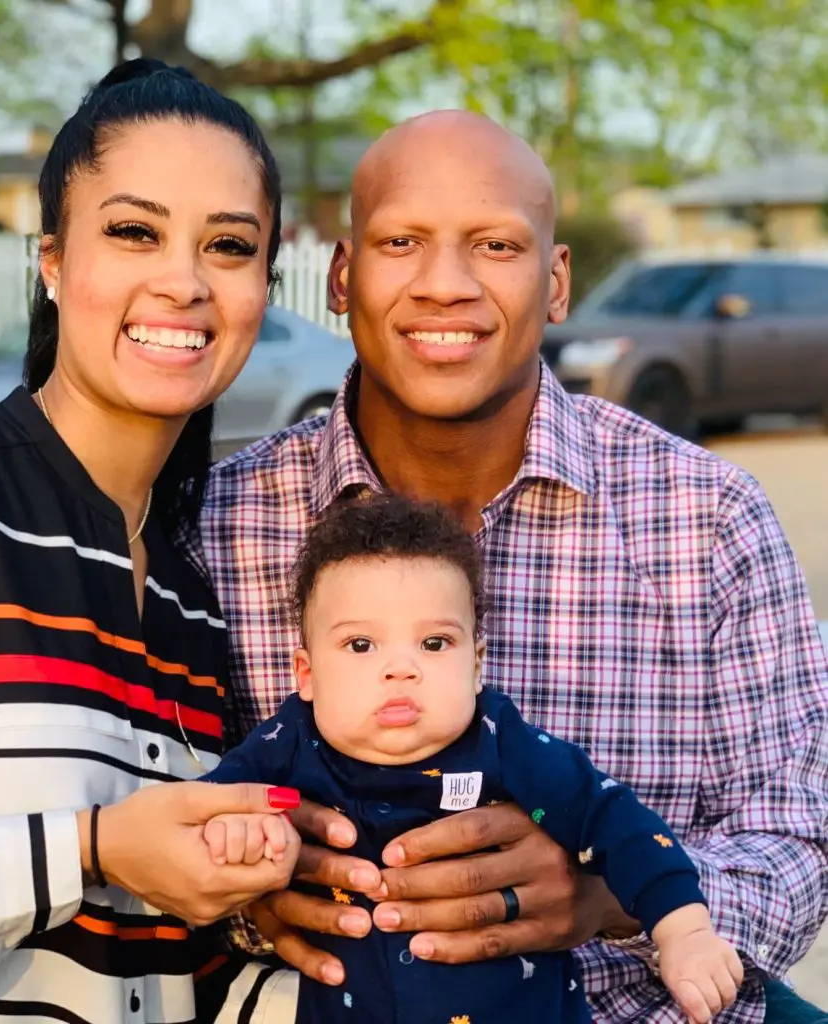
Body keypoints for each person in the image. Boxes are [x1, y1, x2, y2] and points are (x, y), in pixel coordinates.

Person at [186, 110, 828, 1022]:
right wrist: (252, 898)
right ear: (340, 273)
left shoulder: (707, 518)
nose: (444, 285)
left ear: (557, 281)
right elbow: (157, 821)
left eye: (495, 244)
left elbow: (803, 840)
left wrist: (612, 903)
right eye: (401, 241)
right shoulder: (224, 524)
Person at [0, 59, 303, 1023]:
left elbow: (153, 971)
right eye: (133, 231)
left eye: (228, 246)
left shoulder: (196, 601)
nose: (183, 280)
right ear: (54, 261)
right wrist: (90, 846)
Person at [201, 494, 745, 1024]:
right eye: (361, 645)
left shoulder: (501, 742)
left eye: (434, 644)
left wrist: (684, 929)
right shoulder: (285, 744)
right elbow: (206, 808)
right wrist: (234, 830)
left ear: (477, 664)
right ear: (307, 675)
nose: (401, 668)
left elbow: (614, 819)